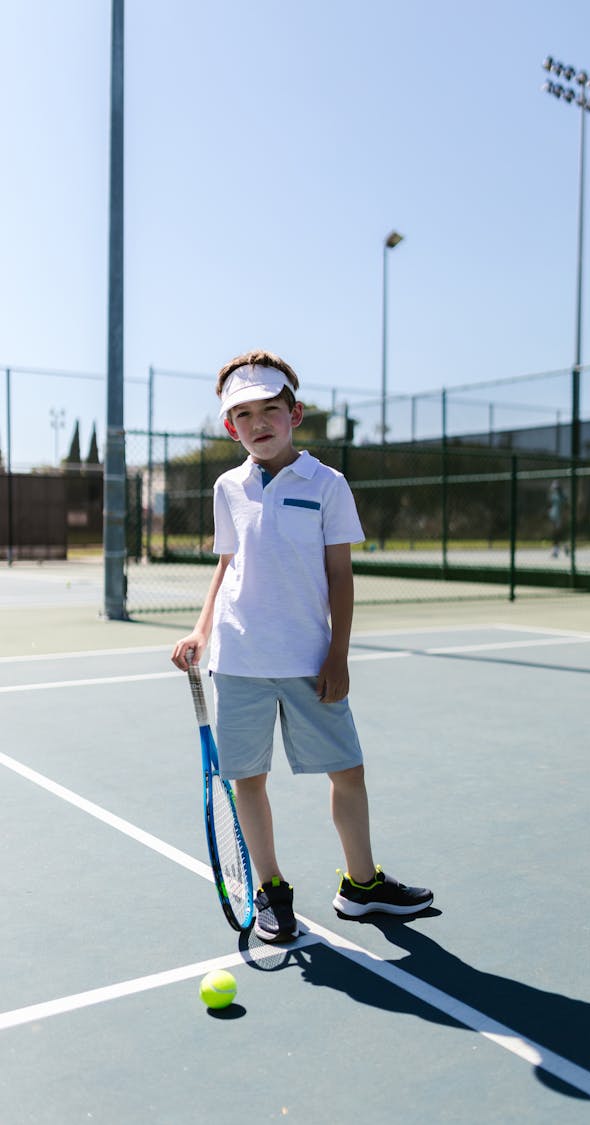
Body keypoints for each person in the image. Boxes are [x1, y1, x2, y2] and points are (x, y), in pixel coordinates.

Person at [171, 350, 432, 942]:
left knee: (348, 771)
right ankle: (270, 889)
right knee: (249, 781)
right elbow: (226, 567)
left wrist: (338, 653)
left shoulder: (328, 484)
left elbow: (341, 576)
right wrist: (200, 630)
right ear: (229, 426)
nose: (258, 423)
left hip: (311, 660)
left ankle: (361, 887)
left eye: (271, 409)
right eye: (244, 414)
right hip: (238, 661)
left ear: (296, 413)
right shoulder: (227, 487)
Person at [547, 480, 568, 558]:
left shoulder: (563, 497)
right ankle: (560, 548)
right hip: (553, 517)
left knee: (559, 534)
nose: (555, 489)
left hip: (560, 518)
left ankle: (559, 549)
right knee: (555, 534)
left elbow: (566, 507)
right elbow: (550, 506)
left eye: (556, 488)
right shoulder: (553, 496)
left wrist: (564, 517)